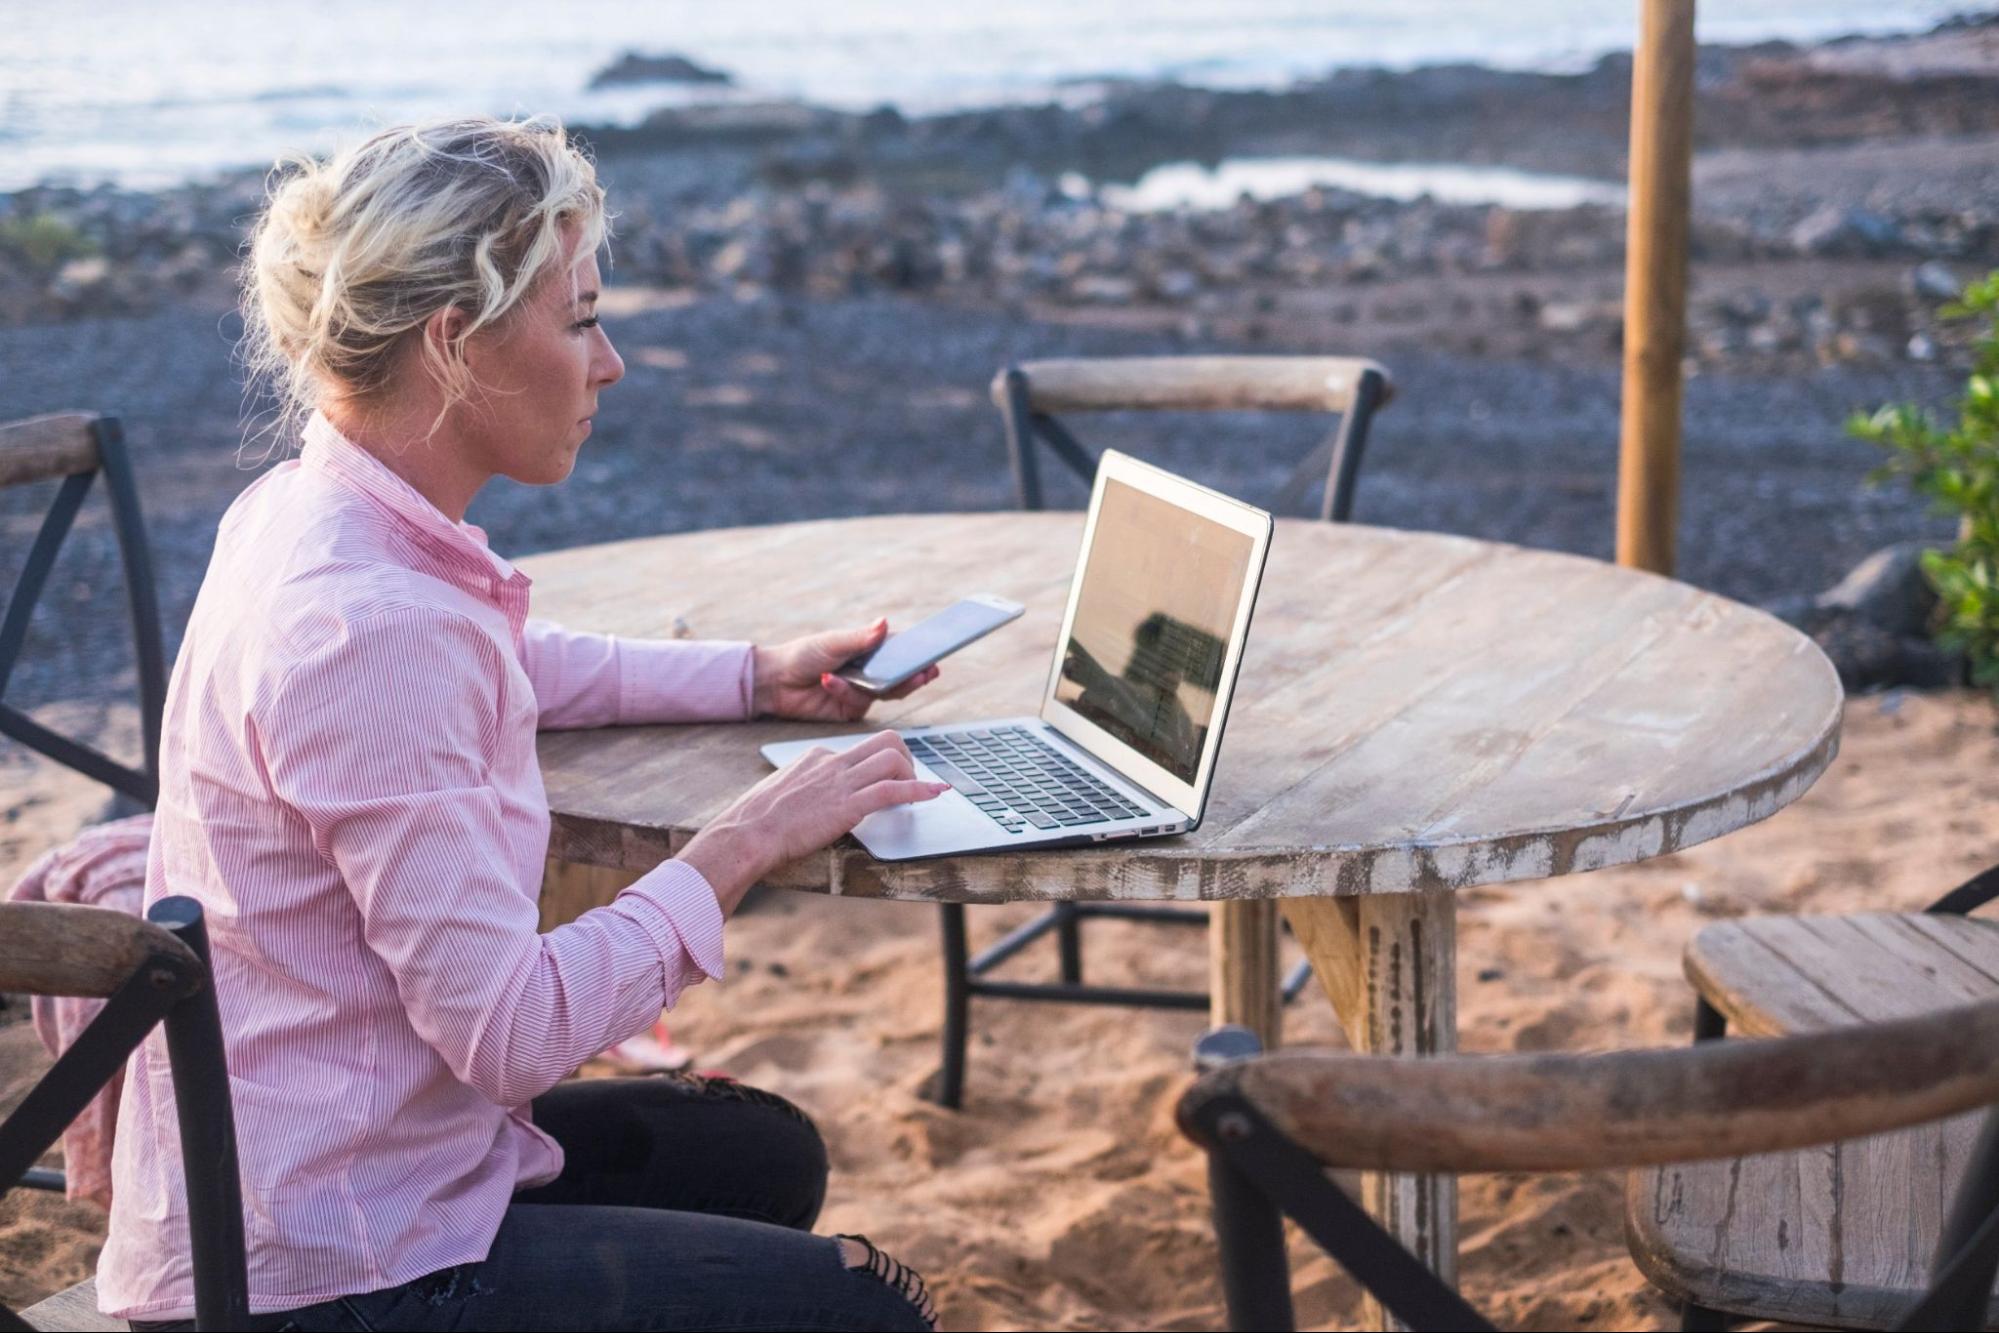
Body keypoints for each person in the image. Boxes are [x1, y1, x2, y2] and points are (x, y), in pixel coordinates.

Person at [103, 115, 944, 1332]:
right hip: (318, 1271)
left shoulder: (308, 508)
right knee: (872, 1313)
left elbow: (504, 664)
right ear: (455, 343)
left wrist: (756, 675)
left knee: (763, 1157)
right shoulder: (368, 626)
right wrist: (743, 840)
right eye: (583, 318)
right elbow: (513, 1034)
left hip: (321, 1158)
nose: (611, 364)